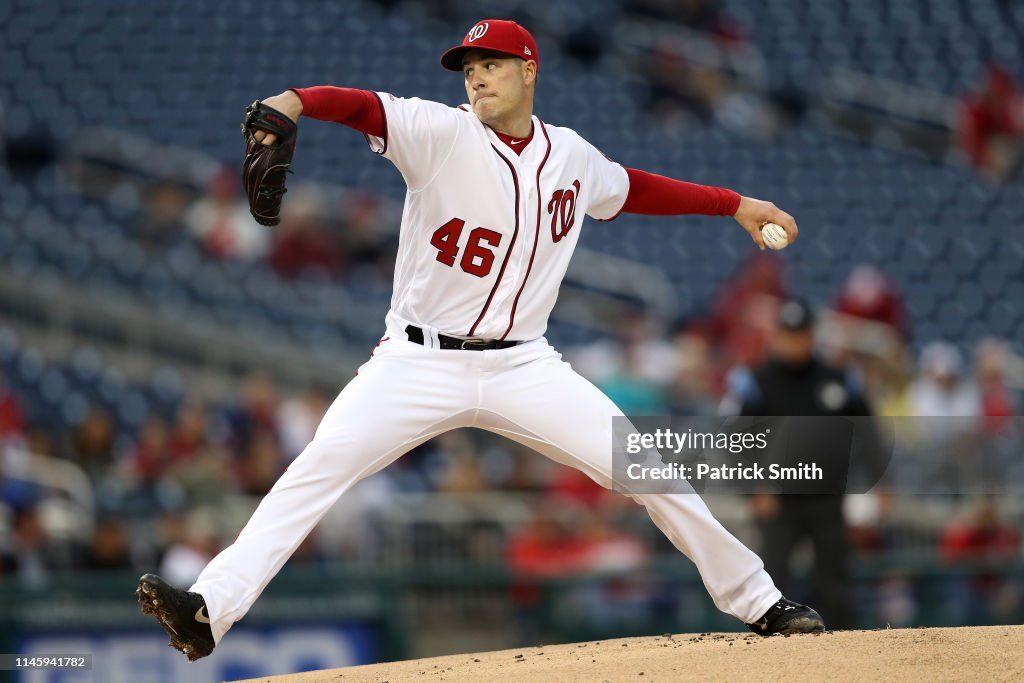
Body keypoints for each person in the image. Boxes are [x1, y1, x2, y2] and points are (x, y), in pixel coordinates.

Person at [136, 19, 822, 661]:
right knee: (317, 469)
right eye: (469, 68)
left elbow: (633, 187)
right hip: (416, 360)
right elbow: (364, 107)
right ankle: (209, 610)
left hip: (525, 363)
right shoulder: (440, 132)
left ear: (528, 70)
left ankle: (761, 601)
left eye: (491, 64)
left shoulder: (572, 156)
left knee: (649, 468)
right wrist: (294, 100)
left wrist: (735, 203)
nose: (476, 78)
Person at [721, 299, 874, 630]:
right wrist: (753, 488)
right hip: (778, 501)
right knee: (772, 580)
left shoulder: (838, 379)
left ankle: (847, 655)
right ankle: (770, 657)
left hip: (826, 498)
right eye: (788, 334)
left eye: (801, 334)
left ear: (811, 335)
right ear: (777, 336)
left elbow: (868, 432)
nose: (795, 342)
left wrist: (878, 480)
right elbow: (733, 443)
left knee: (834, 581)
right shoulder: (756, 382)